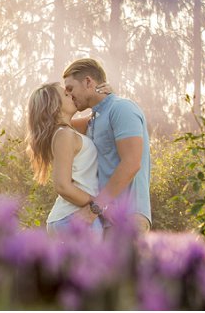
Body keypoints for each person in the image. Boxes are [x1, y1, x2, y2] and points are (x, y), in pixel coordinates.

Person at [62, 58, 151, 233]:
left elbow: (132, 163)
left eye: (70, 89)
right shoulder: (94, 119)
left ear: (88, 81)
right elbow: (60, 125)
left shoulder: (122, 109)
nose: (69, 94)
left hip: (128, 219)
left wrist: (94, 208)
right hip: (105, 220)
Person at [27, 82, 105, 236]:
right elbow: (62, 186)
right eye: (65, 94)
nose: (71, 94)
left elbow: (101, 115)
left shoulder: (68, 131)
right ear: (54, 106)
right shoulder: (64, 135)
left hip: (73, 216)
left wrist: (102, 93)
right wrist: (97, 204)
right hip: (76, 217)